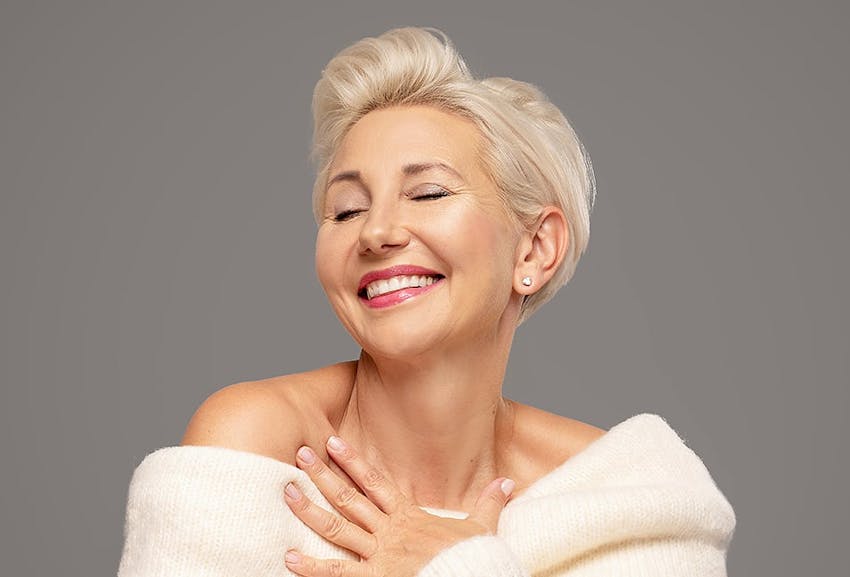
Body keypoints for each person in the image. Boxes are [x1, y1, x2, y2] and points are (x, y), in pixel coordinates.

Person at [118, 27, 735, 577]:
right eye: (346, 210)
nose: (376, 231)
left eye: (429, 193)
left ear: (534, 249)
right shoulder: (257, 443)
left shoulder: (629, 494)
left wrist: (459, 566)